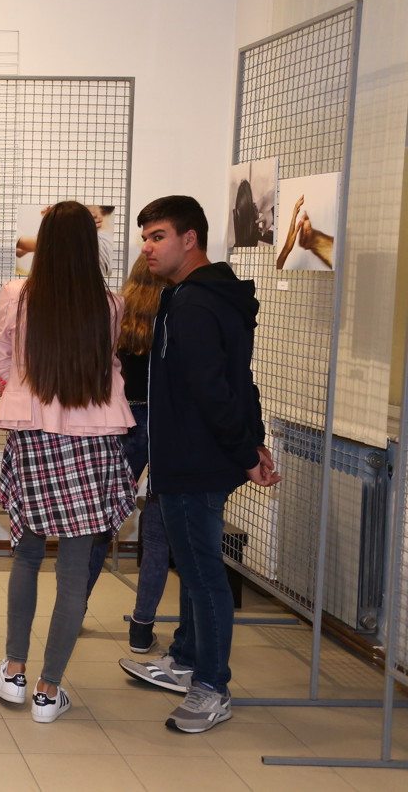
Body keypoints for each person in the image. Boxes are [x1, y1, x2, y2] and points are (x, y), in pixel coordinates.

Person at [119, 195, 281, 734]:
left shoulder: (193, 304)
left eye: (158, 236)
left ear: (190, 239)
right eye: (145, 237)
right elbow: (241, 379)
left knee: (204, 576)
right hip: (199, 457)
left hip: (195, 461)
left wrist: (245, 450)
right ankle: (186, 660)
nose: (148, 247)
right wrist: (253, 443)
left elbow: (213, 390)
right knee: (192, 568)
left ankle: (212, 686)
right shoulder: (201, 294)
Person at [0, 201, 136, 723]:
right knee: (73, 570)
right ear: (91, 246)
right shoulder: (111, 304)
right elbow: (106, 364)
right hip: (94, 440)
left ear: (43, 243)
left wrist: (20, 393)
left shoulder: (16, 294)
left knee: (27, 555)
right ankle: (48, 692)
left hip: (34, 436)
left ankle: (14, 673)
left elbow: (2, 362)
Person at [84, 255, 173, 654]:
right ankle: (141, 626)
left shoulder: (117, 312)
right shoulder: (175, 312)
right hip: (169, 425)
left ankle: (74, 607)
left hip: (125, 422)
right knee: (157, 532)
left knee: (100, 524)